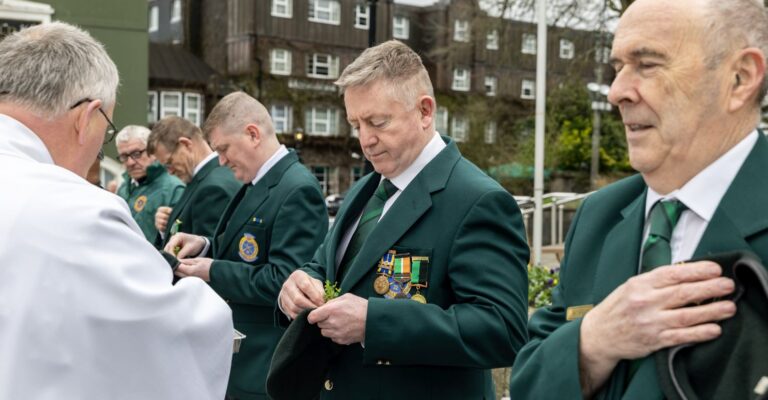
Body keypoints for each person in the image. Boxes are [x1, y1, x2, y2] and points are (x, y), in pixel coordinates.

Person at [509, 0, 768, 398]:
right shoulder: (599, 215)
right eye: (618, 67)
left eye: (647, 64)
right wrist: (593, 342)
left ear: (740, 78)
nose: (617, 92)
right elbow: (528, 383)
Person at [277, 40, 529, 399]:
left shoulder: (478, 200)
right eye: (356, 124)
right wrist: (300, 284)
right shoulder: (366, 188)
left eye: (378, 122)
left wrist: (373, 324)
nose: (365, 140)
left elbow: (503, 330)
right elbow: (327, 266)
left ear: (425, 111)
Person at [0, 22, 233, 399]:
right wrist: (183, 285)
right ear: (86, 117)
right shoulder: (77, 211)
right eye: (106, 131)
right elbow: (171, 336)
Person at [166, 92, 328, 400]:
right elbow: (243, 249)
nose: (221, 160)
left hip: (264, 363)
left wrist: (212, 270)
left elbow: (286, 281)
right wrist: (204, 244)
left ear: (252, 134)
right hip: (244, 361)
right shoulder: (259, 182)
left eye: (223, 149)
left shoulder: (296, 188)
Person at [147, 115, 240, 248]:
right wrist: (165, 228)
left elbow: (208, 253)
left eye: (169, 162)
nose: (170, 172)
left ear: (186, 144)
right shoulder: (205, 178)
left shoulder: (211, 189)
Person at [116, 125, 184, 243]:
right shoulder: (123, 189)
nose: (130, 162)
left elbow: (182, 238)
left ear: (152, 152)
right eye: (124, 156)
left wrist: (165, 231)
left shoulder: (174, 189)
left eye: (136, 153)